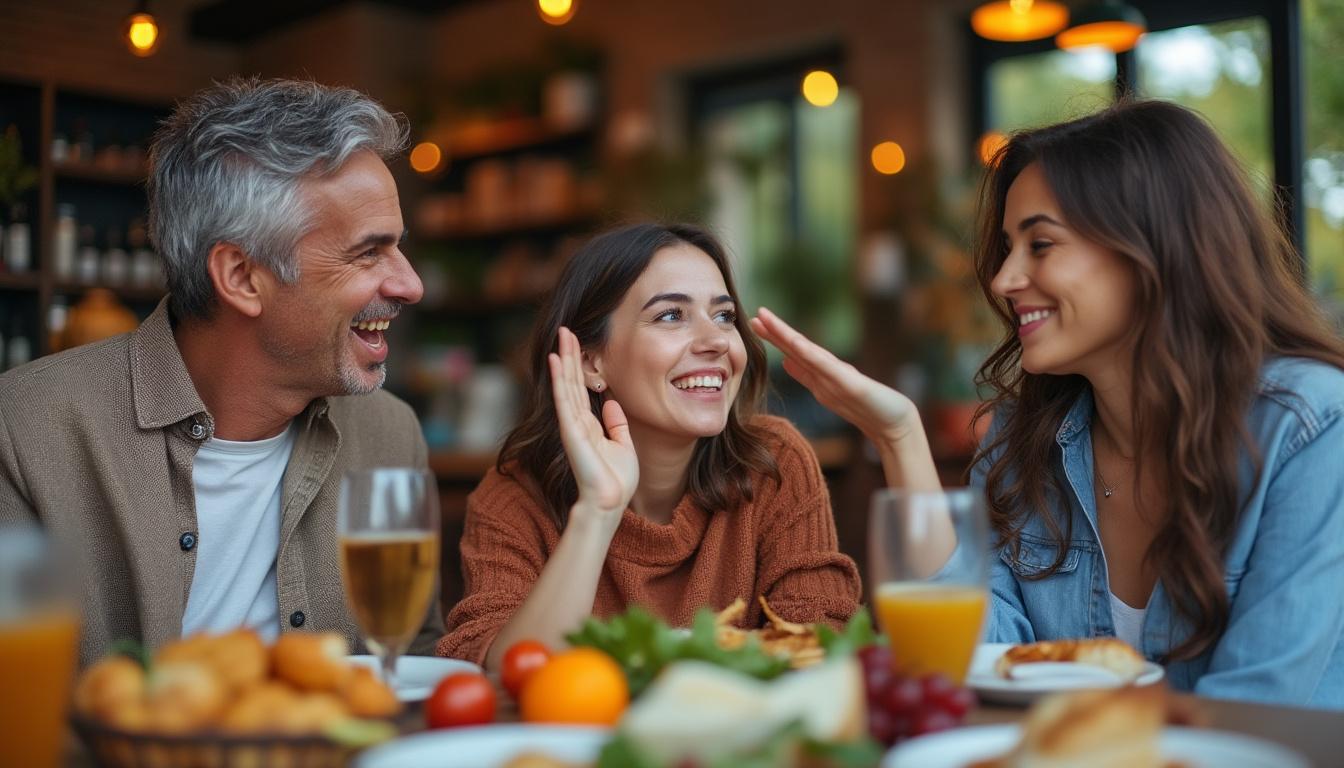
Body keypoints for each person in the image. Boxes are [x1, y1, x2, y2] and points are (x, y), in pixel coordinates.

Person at [752, 99, 1344, 708]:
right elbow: (964, 667)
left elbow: (1255, 707)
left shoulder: (1308, 426)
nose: (1004, 280)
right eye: (1009, 248)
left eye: (1040, 245)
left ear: (1152, 248)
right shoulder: (1022, 443)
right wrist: (900, 435)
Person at [0, 77, 444, 664]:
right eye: (369, 251)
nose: (409, 284)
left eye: (398, 247)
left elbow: (411, 658)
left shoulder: (390, 434)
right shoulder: (24, 431)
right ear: (240, 276)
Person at [437, 223, 861, 669]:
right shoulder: (513, 499)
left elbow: (822, 652)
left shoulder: (775, 464)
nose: (717, 341)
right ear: (590, 361)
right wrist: (597, 513)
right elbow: (507, 677)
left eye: (724, 316)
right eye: (671, 316)